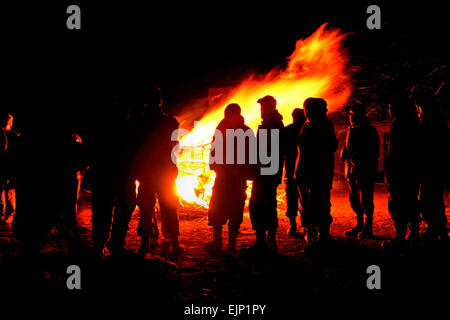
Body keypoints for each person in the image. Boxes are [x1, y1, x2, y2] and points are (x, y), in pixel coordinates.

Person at [132, 87, 181, 255]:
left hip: (147, 172)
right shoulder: (171, 122)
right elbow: (175, 147)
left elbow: (135, 148)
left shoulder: (139, 122)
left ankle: (145, 243)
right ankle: (174, 243)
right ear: (160, 102)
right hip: (165, 171)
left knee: (146, 208)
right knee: (168, 206)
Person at [207, 103, 255, 252]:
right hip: (232, 177)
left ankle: (224, 243)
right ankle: (224, 243)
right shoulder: (244, 130)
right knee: (227, 208)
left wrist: (215, 165)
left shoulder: (223, 129)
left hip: (229, 177)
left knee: (225, 208)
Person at [296, 98, 338, 243]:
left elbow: (330, 147)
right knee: (306, 204)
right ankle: (311, 233)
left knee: (320, 204)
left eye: (308, 109)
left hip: (319, 174)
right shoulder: (306, 126)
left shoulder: (324, 126)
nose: (306, 112)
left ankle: (323, 235)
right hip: (304, 173)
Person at [248, 95, 284, 253]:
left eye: (263, 108)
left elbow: (270, 152)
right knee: (261, 205)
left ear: (271, 107)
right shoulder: (269, 123)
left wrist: (264, 173)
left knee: (261, 205)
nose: (261, 111)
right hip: (264, 173)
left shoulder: (273, 124)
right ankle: (264, 241)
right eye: (261, 108)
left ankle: (265, 242)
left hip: (266, 174)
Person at [384, 95, 421, 244]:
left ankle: (400, 236)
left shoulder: (400, 124)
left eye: (391, 108)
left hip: (400, 170)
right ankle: (413, 232)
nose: (389, 110)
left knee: (399, 202)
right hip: (410, 170)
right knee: (411, 201)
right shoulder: (414, 122)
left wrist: (390, 167)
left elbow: (396, 150)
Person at [341, 104, 379, 238]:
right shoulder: (351, 129)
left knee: (366, 199)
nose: (351, 116)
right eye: (350, 114)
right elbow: (348, 146)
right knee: (355, 199)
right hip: (351, 171)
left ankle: (368, 227)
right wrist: (344, 153)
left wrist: (357, 157)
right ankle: (360, 224)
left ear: (362, 115)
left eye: (354, 114)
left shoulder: (369, 130)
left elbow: (372, 151)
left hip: (364, 171)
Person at [415, 91, 449, 240]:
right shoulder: (437, 119)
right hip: (434, 166)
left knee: (430, 199)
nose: (417, 110)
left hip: (431, 167)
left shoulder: (431, 121)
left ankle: (434, 228)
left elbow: (426, 145)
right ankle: (437, 228)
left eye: (419, 107)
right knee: (433, 199)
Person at [284, 108, 306, 236]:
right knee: (302, 199)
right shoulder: (307, 129)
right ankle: (303, 225)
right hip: (300, 171)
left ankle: (294, 225)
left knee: (292, 199)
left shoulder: (289, 130)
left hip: (293, 171)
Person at [0, 113, 19, 224]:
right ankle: (7, 214)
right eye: (10, 121)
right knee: (7, 191)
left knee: (6, 191)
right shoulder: (11, 135)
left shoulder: (11, 135)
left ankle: (7, 214)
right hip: (7, 168)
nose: (11, 123)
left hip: (7, 168)